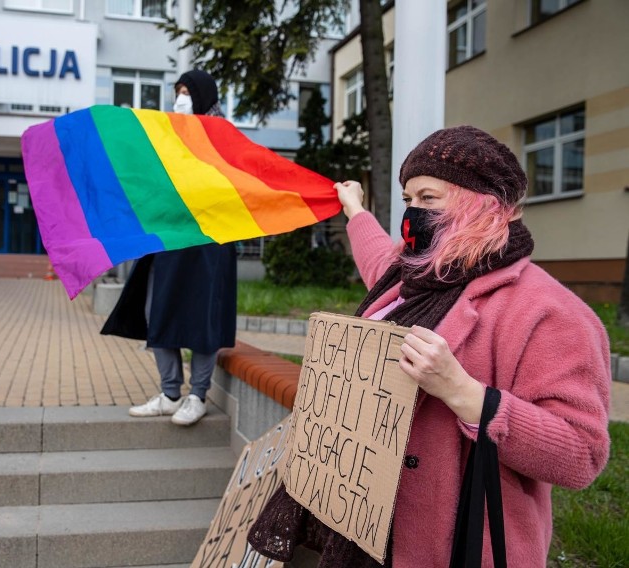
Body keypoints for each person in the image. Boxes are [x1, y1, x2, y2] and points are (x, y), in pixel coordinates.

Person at [247, 125, 612, 567]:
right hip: (365, 530)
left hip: (455, 546)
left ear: (489, 204)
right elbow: (378, 258)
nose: (413, 214)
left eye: (429, 198)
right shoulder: (415, 277)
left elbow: (581, 454)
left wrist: (464, 393)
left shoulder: (550, 311)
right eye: (408, 200)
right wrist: (355, 209)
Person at [100, 70, 237, 426]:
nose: (181, 98)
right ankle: (170, 392)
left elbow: (230, 186)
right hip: (169, 240)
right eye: (177, 91)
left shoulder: (222, 137)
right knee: (156, 311)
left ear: (204, 96)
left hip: (209, 242)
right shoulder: (168, 137)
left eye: (187, 92)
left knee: (203, 319)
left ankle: (197, 396)